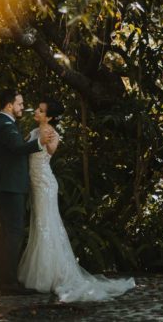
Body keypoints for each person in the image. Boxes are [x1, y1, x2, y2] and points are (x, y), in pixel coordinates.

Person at [18, 99, 135, 302]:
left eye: (41, 110)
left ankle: (52, 275)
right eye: (37, 108)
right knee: (39, 225)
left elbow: (52, 150)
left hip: (46, 184)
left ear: (49, 116)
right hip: (35, 184)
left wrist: (48, 136)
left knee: (47, 225)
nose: (36, 111)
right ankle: (42, 272)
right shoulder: (34, 132)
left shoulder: (52, 133)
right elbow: (23, 148)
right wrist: (37, 136)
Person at [0, 89, 56, 295]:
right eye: (20, 104)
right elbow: (18, 148)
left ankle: (3, 279)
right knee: (13, 233)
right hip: (11, 186)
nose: (23, 107)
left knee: (7, 233)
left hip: (10, 185)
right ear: (10, 105)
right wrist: (39, 143)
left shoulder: (6, 124)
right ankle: (8, 283)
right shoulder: (5, 125)